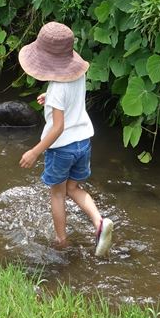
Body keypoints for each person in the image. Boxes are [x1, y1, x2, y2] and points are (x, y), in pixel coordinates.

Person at [18, 22, 114, 256]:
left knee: (58, 193)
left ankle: (62, 241)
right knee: (74, 187)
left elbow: (58, 127)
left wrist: (35, 151)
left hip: (62, 148)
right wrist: (49, 96)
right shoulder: (76, 76)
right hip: (83, 142)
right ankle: (99, 222)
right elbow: (67, 97)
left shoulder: (58, 89)